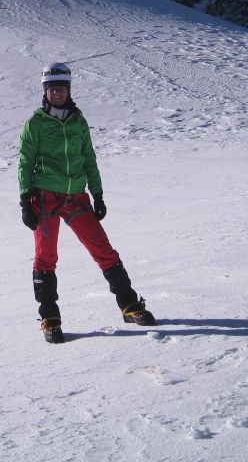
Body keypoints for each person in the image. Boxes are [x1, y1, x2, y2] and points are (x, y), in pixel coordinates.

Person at [18, 62, 155, 343]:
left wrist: (98, 193)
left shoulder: (78, 121)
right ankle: (50, 318)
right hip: (45, 198)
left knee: (103, 249)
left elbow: (89, 158)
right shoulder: (35, 124)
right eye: (52, 89)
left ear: (68, 90)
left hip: (76, 197)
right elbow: (25, 162)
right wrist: (24, 200)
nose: (57, 93)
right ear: (45, 91)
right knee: (45, 258)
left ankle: (129, 305)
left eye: (61, 88)